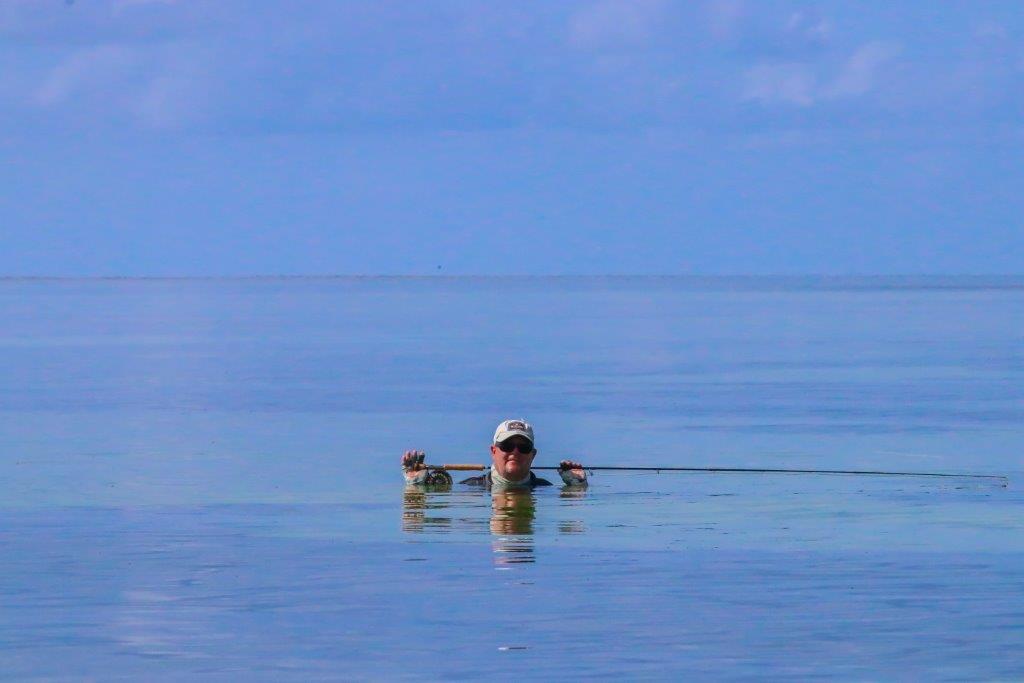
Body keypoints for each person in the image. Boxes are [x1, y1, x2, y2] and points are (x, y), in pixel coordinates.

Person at [402, 419, 587, 488]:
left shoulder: (546, 489)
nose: (515, 452)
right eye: (507, 445)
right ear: (493, 451)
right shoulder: (469, 488)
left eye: (523, 447)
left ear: (533, 455)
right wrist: (415, 485)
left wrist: (578, 486)